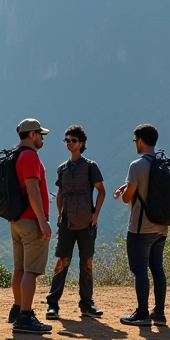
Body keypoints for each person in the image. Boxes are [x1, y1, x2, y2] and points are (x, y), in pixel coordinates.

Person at [45, 125, 106, 319]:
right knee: (62, 262)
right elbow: (60, 193)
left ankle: (87, 304)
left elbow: (101, 191)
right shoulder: (62, 168)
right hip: (67, 222)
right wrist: (59, 213)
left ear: (82, 143)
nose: (69, 143)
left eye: (73, 140)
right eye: (67, 140)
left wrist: (96, 214)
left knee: (86, 263)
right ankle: (52, 304)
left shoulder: (90, 166)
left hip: (87, 222)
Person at [113, 123, 169, 326]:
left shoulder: (137, 165)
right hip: (161, 226)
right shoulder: (164, 163)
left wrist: (124, 192)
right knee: (158, 268)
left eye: (135, 140)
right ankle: (159, 313)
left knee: (139, 270)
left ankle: (142, 313)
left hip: (140, 227)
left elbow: (128, 198)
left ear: (141, 141)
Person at [7, 118, 53, 334]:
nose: (43, 138)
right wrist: (43, 221)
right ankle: (25, 315)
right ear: (32, 135)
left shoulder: (14, 154)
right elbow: (33, 189)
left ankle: (17, 309)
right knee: (31, 271)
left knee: (19, 268)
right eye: (41, 134)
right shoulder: (30, 156)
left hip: (16, 220)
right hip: (30, 220)